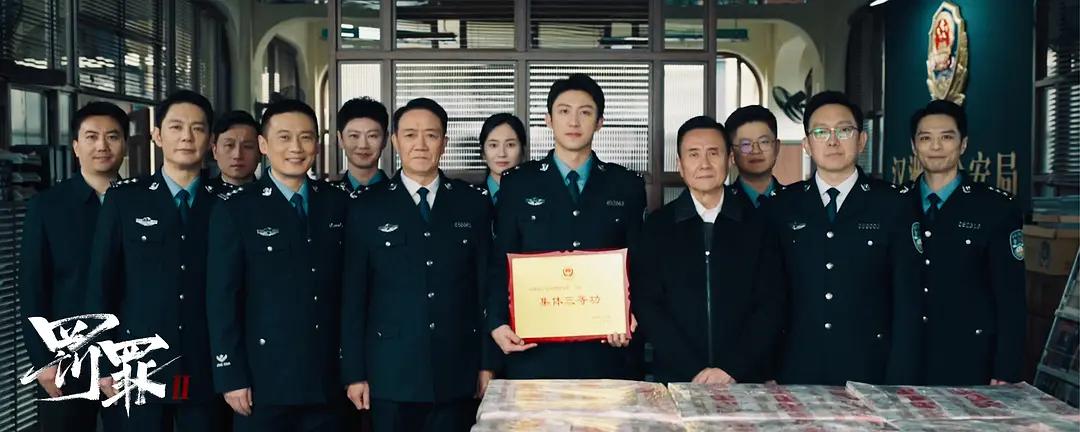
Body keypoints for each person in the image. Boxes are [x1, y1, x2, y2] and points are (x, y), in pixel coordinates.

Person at [341, 98, 496, 432]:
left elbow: (486, 290)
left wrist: (487, 364)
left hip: (457, 369)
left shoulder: (472, 203)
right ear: (395, 141)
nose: (421, 144)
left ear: (444, 142)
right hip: (390, 373)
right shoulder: (367, 207)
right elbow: (353, 297)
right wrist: (354, 373)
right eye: (410, 135)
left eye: (431, 135)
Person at [86, 90, 230, 431]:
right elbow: (101, 284)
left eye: (197, 128)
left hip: (205, 362)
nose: (186, 137)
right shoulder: (125, 199)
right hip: (135, 363)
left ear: (211, 140)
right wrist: (102, 362)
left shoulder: (227, 203)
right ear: (157, 135)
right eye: (176, 127)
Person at [487, 73, 646, 379]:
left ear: (599, 122)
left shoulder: (625, 185)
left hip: (606, 353)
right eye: (564, 111)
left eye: (585, 112)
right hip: (534, 352)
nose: (574, 122)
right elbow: (499, 260)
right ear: (548, 120)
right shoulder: (518, 183)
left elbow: (639, 264)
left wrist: (632, 316)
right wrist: (496, 322)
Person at [206, 99, 349, 432]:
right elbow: (222, 299)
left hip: (328, 378)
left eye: (306, 137)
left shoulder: (337, 202)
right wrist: (231, 375)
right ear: (263, 144)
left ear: (317, 144)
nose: (296, 148)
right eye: (284, 137)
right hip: (264, 382)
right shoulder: (237, 209)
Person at [762, 90, 922, 385]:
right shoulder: (782, 206)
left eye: (844, 130)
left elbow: (908, 301)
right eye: (821, 132)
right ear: (807, 145)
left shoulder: (893, 205)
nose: (833, 141)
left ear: (862, 140)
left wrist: (900, 378)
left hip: (871, 369)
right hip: (797, 368)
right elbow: (770, 298)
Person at [633, 115, 784, 384]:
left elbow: (771, 303)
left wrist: (732, 369)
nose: (704, 164)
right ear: (680, 165)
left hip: (745, 379)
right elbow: (648, 304)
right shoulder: (658, 226)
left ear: (730, 160)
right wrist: (692, 369)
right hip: (677, 378)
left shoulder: (758, 224)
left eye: (713, 153)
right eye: (693, 154)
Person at [19, 101, 129, 432]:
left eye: (112, 137)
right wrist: (43, 361)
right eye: (92, 137)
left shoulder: (142, 203)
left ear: (125, 144)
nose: (102, 146)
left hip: (127, 355)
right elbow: (32, 287)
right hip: (66, 358)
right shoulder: (47, 206)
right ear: (76, 146)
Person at [904, 99, 1025, 386]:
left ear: (963, 144)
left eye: (947, 137)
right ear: (914, 146)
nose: (936, 147)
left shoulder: (994, 207)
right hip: (905, 357)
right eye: (925, 138)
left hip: (970, 357)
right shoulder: (896, 203)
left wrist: (1006, 369)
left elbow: (1010, 296)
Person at [725, 105, 785, 209]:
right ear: (732, 153)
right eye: (745, 144)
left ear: (777, 147)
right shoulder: (721, 203)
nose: (756, 151)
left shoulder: (796, 200)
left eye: (764, 142)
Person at [334, 97, 389, 192]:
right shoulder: (326, 196)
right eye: (354, 136)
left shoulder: (402, 194)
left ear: (385, 139)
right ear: (340, 139)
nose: (363, 145)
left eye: (372, 136)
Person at [477, 113, 527, 203]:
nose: (502, 154)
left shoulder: (538, 197)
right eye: (493, 145)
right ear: (483, 152)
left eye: (510, 145)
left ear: (523, 150)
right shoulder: (467, 198)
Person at [207, 110, 261, 191]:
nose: (237, 155)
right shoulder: (200, 194)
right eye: (229, 145)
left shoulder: (272, 195)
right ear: (215, 151)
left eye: (247, 146)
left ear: (260, 152)